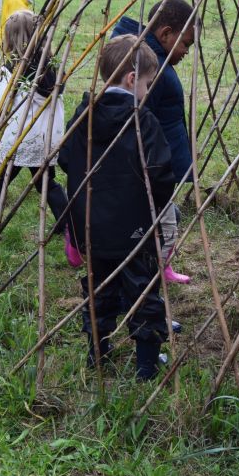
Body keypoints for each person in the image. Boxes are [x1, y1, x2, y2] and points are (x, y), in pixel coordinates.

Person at [58, 35, 174, 381]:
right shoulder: (142, 121)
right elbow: (160, 172)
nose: (147, 91)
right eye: (147, 83)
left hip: (90, 227)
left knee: (99, 289)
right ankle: (146, 365)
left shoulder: (84, 116)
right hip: (134, 229)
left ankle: (98, 351)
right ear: (130, 78)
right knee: (143, 291)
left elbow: (65, 159)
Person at [110, 0, 196, 283]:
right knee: (159, 218)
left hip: (160, 161)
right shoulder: (153, 70)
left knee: (162, 216)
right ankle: (154, 268)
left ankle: (161, 265)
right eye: (185, 44)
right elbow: (141, 121)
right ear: (166, 34)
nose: (186, 51)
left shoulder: (154, 62)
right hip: (154, 164)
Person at [0, 10, 67, 233]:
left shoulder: (12, 68)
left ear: (11, 38)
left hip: (19, 137)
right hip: (44, 137)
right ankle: (67, 222)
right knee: (46, 183)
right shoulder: (51, 66)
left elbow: (0, 102)